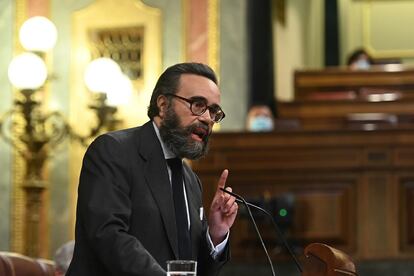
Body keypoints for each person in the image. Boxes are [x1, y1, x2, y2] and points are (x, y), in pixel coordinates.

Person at [67, 62, 238, 276]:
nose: (206, 118)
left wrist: (215, 234)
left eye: (214, 111)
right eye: (197, 104)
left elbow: (190, 264)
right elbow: (108, 234)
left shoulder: (191, 181)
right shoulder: (114, 150)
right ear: (163, 105)